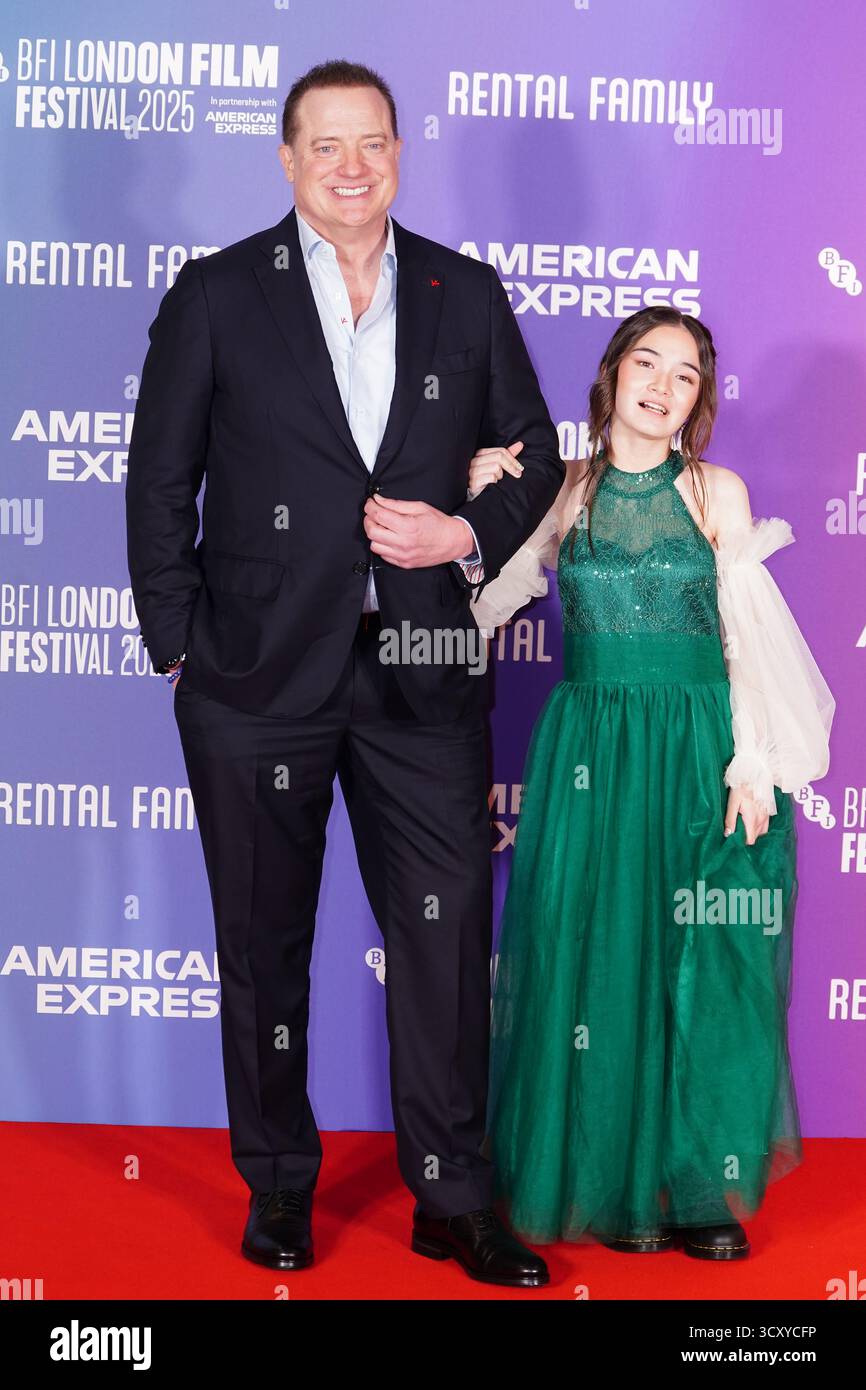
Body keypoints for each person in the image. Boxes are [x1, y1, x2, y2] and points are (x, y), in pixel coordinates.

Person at [125, 60, 565, 1287]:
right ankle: (276, 1185)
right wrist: (178, 648)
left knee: (442, 935)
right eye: (325, 145)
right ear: (285, 159)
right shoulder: (217, 295)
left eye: (370, 141)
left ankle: (452, 1197)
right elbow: (158, 484)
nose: (350, 165)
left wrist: (461, 533)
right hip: (255, 677)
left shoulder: (462, 293)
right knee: (261, 942)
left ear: (399, 150)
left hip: (422, 666)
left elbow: (533, 454)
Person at [467, 308, 835, 1258]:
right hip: (591, 754)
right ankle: (615, 1179)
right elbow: (483, 605)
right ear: (611, 375)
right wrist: (480, 513)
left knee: (704, 963)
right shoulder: (566, 494)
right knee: (598, 962)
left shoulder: (717, 491)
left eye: (686, 374)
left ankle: (696, 1189)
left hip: (701, 751)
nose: (664, 384)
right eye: (647, 362)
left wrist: (755, 764)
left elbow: (751, 640)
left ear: (701, 400)